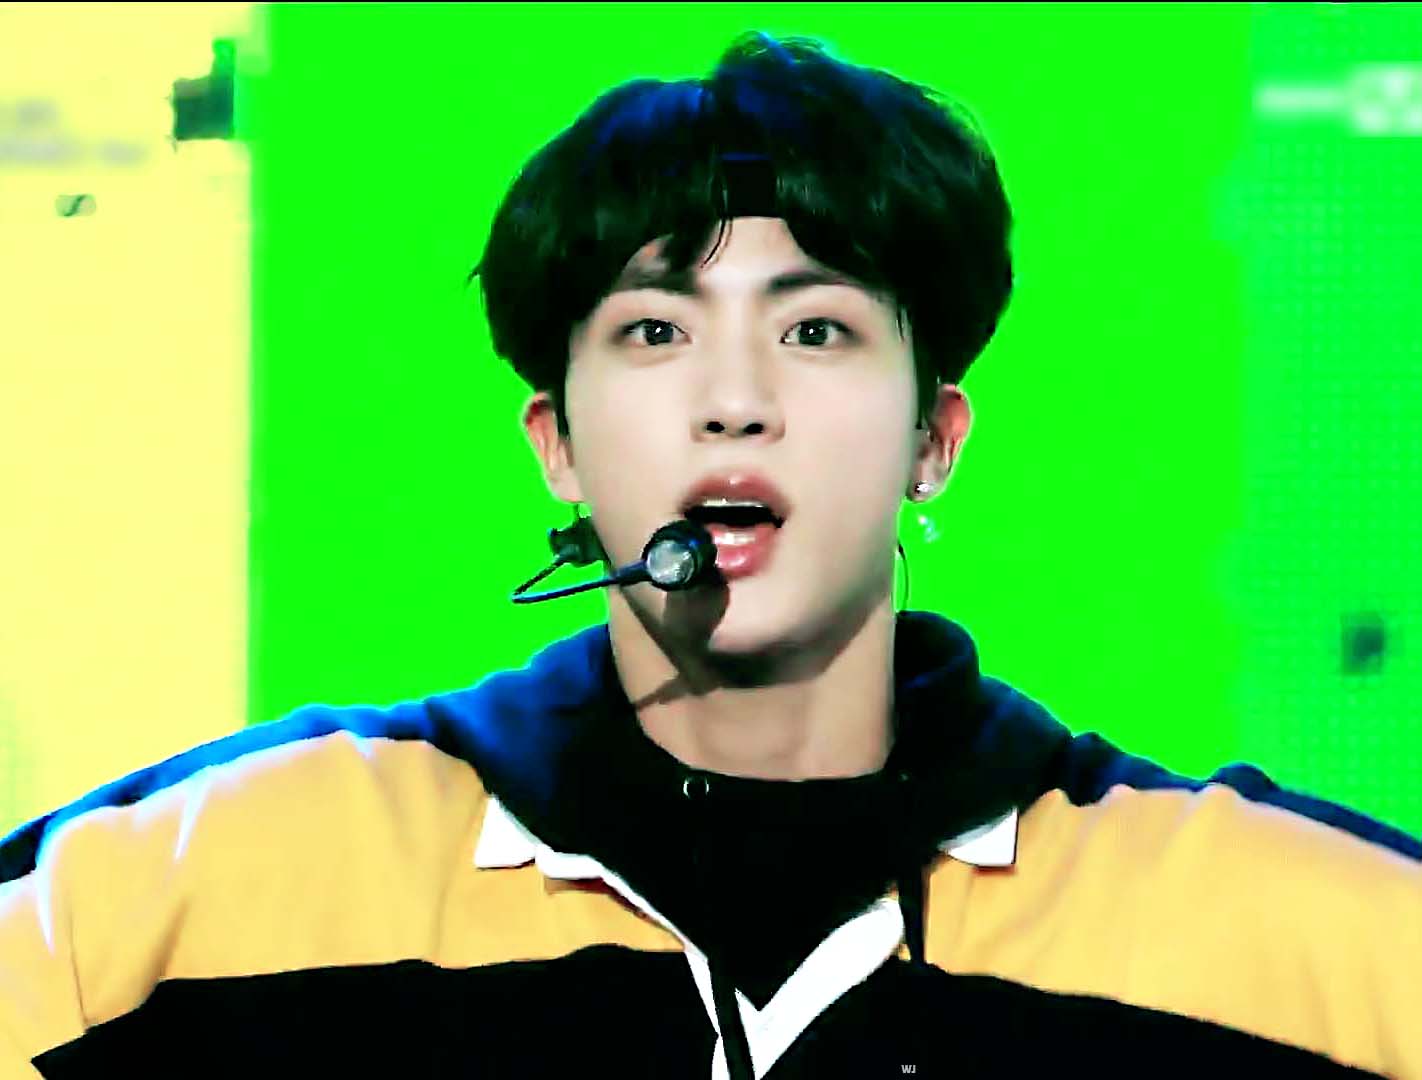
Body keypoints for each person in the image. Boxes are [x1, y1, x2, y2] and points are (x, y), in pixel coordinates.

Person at [1, 29, 1419, 1080]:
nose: (735, 398)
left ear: (934, 439)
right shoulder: (219, 874)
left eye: (815, 329)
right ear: (557, 442)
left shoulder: (1263, 924)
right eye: (655, 330)